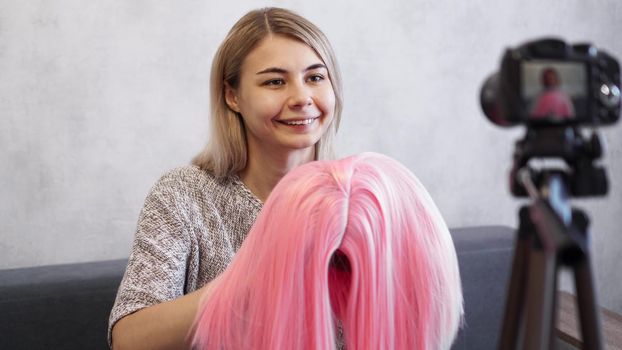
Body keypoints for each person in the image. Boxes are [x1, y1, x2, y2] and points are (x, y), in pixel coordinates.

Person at [108, 7, 343, 349]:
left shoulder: (358, 201)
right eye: (274, 81)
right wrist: (260, 274)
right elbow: (129, 340)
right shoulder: (182, 195)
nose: (301, 98)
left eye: (315, 77)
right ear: (232, 96)